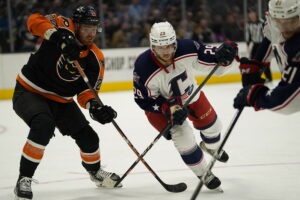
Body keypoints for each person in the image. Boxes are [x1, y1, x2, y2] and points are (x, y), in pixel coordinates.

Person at [12, 5, 121, 200]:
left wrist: (95, 107)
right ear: (76, 25)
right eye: (86, 28)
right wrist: (57, 37)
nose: (91, 33)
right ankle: (24, 179)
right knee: (43, 125)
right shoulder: (62, 26)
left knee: (89, 137)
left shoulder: (96, 58)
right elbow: (33, 21)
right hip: (29, 91)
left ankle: (95, 173)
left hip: (61, 101)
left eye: (94, 29)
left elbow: (87, 91)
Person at [133, 21, 238, 191]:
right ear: (152, 46)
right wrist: (168, 108)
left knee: (214, 126)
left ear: (175, 42)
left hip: (190, 94)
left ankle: (212, 148)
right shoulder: (143, 66)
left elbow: (214, 61)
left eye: (169, 46)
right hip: (163, 109)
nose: (166, 52)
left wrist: (226, 56)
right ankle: (204, 173)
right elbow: (143, 100)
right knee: (184, 139)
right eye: (160, 48)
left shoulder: (187, 48)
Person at [234, 0, 300, 114]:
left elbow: (285, 101)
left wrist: (255, 96)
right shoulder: (275, 21)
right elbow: (272, 36)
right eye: (278, 21)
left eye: (291, 21)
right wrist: (256, 63)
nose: (284, 27)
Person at [245, 10, 273, 83]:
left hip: (262, 43)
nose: (251, 15)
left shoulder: (261, 22)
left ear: (256, 14)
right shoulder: (249, 24)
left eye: (252, 13)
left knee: (264, 61)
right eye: (250, 14)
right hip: (255, 44)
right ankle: (257, 77)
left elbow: (266, 33)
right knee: (253, 61)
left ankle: (269, 77)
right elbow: (248, 36)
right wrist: (248, 46)